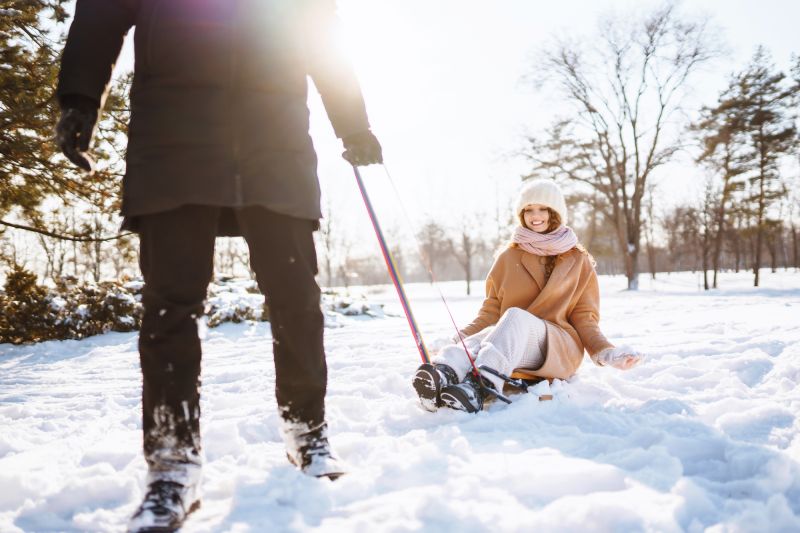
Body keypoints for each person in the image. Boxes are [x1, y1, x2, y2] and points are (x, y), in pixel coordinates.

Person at [54, 1, 382, 530]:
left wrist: (353, 123)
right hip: (174, 140)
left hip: (274, 144)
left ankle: (307, 431)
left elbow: (321, 31)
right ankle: (172, 460)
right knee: (169, 307)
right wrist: (78, 99)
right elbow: (101, 14)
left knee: (297, 298)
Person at [413, 179, 643, 413]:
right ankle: (443, 373)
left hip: (557, 346)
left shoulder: (578, 261)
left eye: (543, 209)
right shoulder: (507, 257)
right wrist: (457, 339)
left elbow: (585, 318)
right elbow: (490, 312)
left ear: (555, 213)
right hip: (511, 345)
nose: (535, 216)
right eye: (529, 210)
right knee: (489, 333)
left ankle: (482, 386)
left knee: (515, 317)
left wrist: (606, 352)